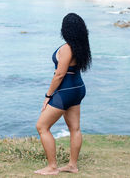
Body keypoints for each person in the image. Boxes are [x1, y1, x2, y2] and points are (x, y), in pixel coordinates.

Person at [34, 13, 92, 175]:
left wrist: (48, 96)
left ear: (66, 29)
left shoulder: (67, 48)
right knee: (75, 128)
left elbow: (59, 75)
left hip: (65, 91)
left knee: (42, 126)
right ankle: (72, 165)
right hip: (78, 89)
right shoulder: (81, 46)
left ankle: (52, 167)